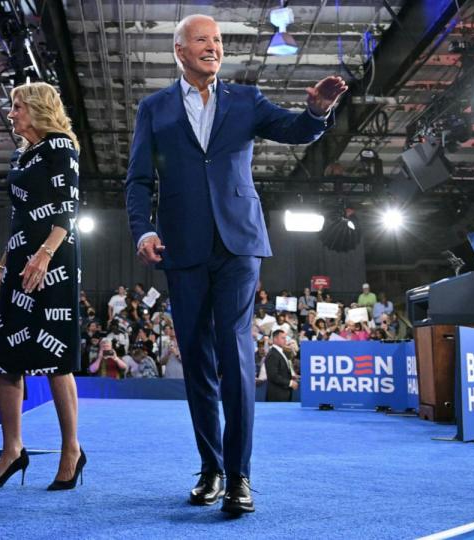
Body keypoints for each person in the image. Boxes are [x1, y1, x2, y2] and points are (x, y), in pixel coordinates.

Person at [124, 13, 346, 515]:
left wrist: (316, 112)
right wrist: (144, 229)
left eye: (219, 40)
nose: (213, 47)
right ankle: (211, 468)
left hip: (240, 243)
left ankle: (240, 476)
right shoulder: (153, 108)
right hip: (181, 247)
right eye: (202, 40)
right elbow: (138, 181)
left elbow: (294, 130)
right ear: (179, 51)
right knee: (197, 361)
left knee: (237, 355)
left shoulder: (246, 99)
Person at [0, 81, 85, 492]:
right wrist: (3, 265)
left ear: (37, 108)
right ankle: (12, 451)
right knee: (6, 356)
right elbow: (19, 218)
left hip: (55, 257)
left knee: (57, 358)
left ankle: (71, 450)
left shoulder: (61, 147)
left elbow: (67, 208)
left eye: (17, 106)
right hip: (21, 256)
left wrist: (44, 255)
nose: (12, 113)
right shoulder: (22, 155)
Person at [264, 329, 297, 402]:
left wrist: (291, 376)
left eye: (285, 338)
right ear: (275, 339)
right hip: (276, 396)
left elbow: (282, 371)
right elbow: (273, 376)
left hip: (283, 394)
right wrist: (290, 383)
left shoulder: (281, 352)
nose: (285, 340)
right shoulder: (273, 354)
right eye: (283, 338)